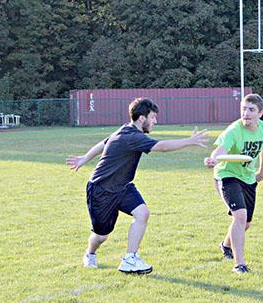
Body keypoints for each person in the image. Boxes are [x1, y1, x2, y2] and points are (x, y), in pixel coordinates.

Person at [66, 97, 208, 274]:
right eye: (153, 117)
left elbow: (104, 143)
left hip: (123, 186)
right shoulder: (132, 136)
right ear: (142, 118)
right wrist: (189, 141)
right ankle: (90, 253)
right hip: (101, 190)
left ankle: (130, 258)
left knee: (142, 212)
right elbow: (161, 146)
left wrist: (84, 158)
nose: (155, 121)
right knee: (102, 235)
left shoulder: (126, 130)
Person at [204, 94, 263, 274]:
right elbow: (220, 150)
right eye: (243, 109)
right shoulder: (233, 131)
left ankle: (225, 245)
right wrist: (213, 159)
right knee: (240, 216)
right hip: (227, 175)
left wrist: (262, 172)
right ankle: (239, 264)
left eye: (251, 110)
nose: (246, 113)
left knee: (245, 223)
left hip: (248, 178)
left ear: (260, 112)